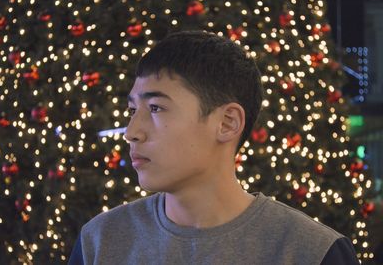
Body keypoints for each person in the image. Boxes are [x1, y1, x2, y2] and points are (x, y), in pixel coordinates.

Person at [68, 30, 359, 265]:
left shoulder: (313, 252)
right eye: (133, 109)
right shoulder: (100, 243)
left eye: (155, 108)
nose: (132, 132)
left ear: (227, 123)